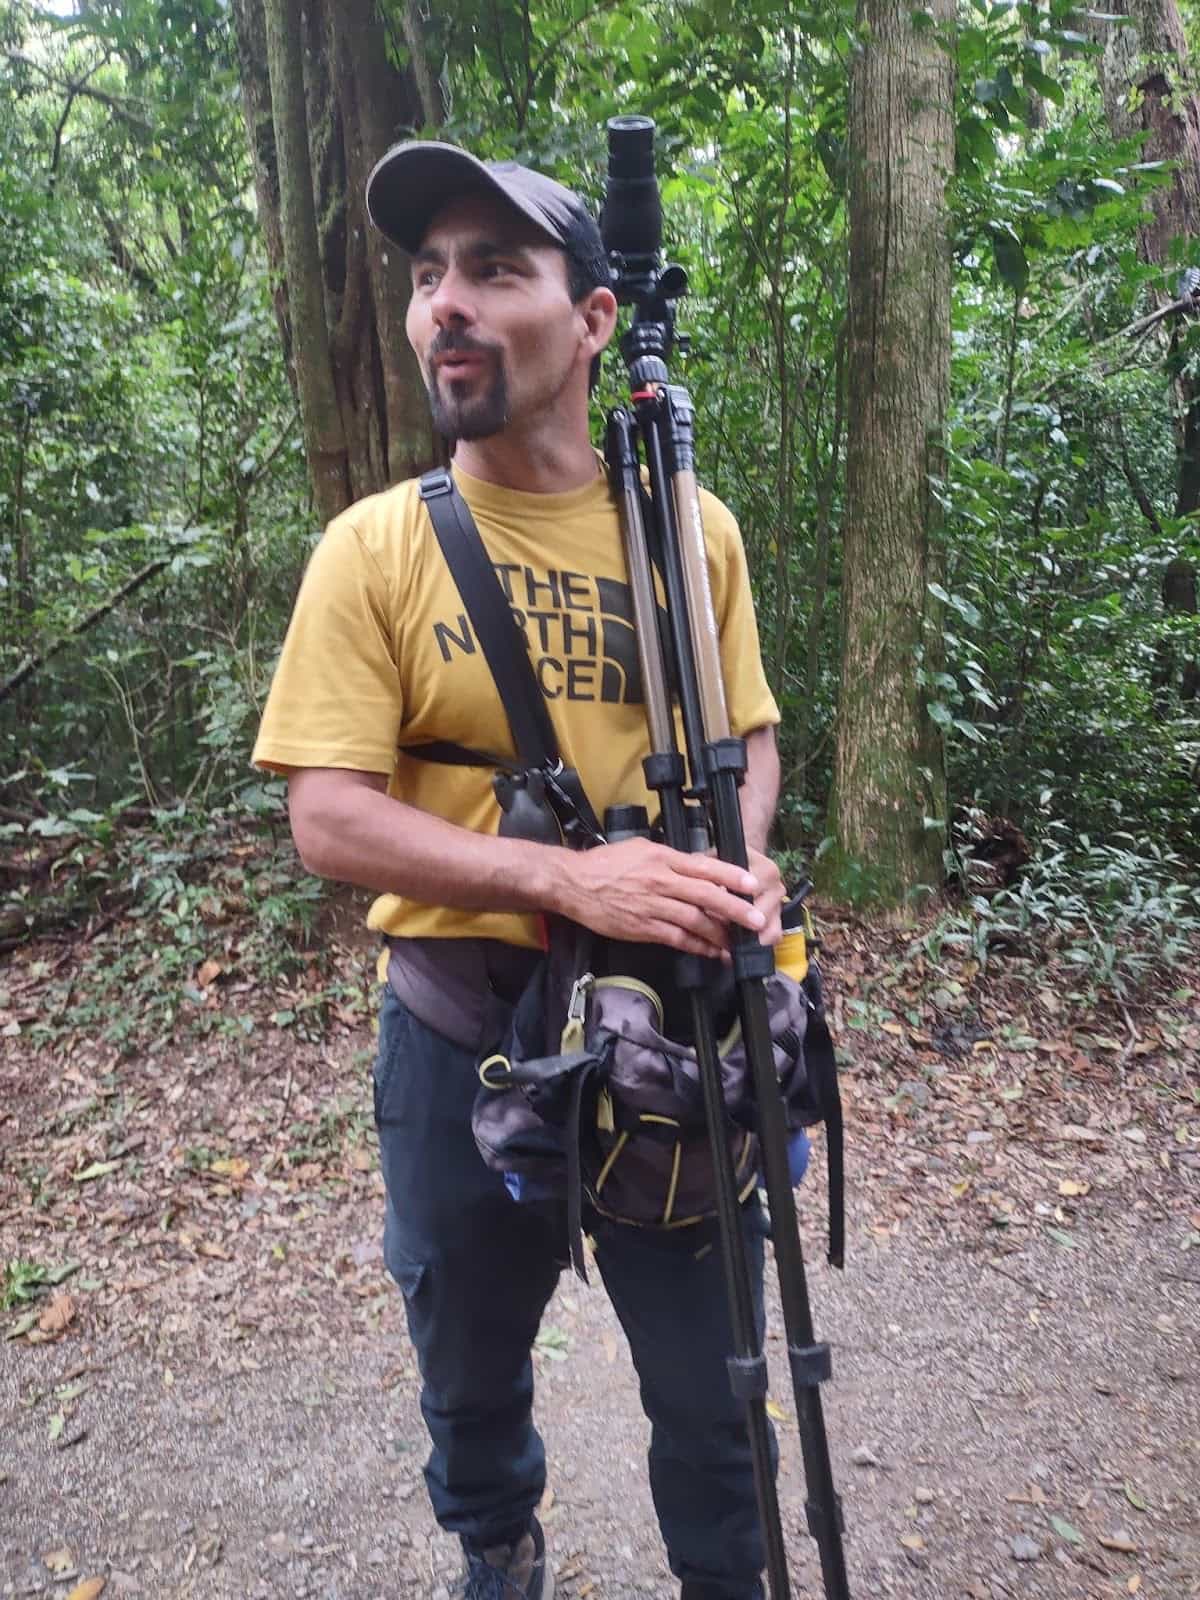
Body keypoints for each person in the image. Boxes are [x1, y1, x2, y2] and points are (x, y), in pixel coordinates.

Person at [252, 139, 786, 1600]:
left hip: (672, 1028)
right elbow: (329, 818)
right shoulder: (374, 549)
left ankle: (727, 1576)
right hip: (462, 1034)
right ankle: (498, 1542)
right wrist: (567, 885)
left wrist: (740, 869)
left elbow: (749, 736)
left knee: (715, 1379)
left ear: (595, 320)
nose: (448, 307)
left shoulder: (691, 527)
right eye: (429, 277)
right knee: (468, 1355)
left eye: (495, 269)